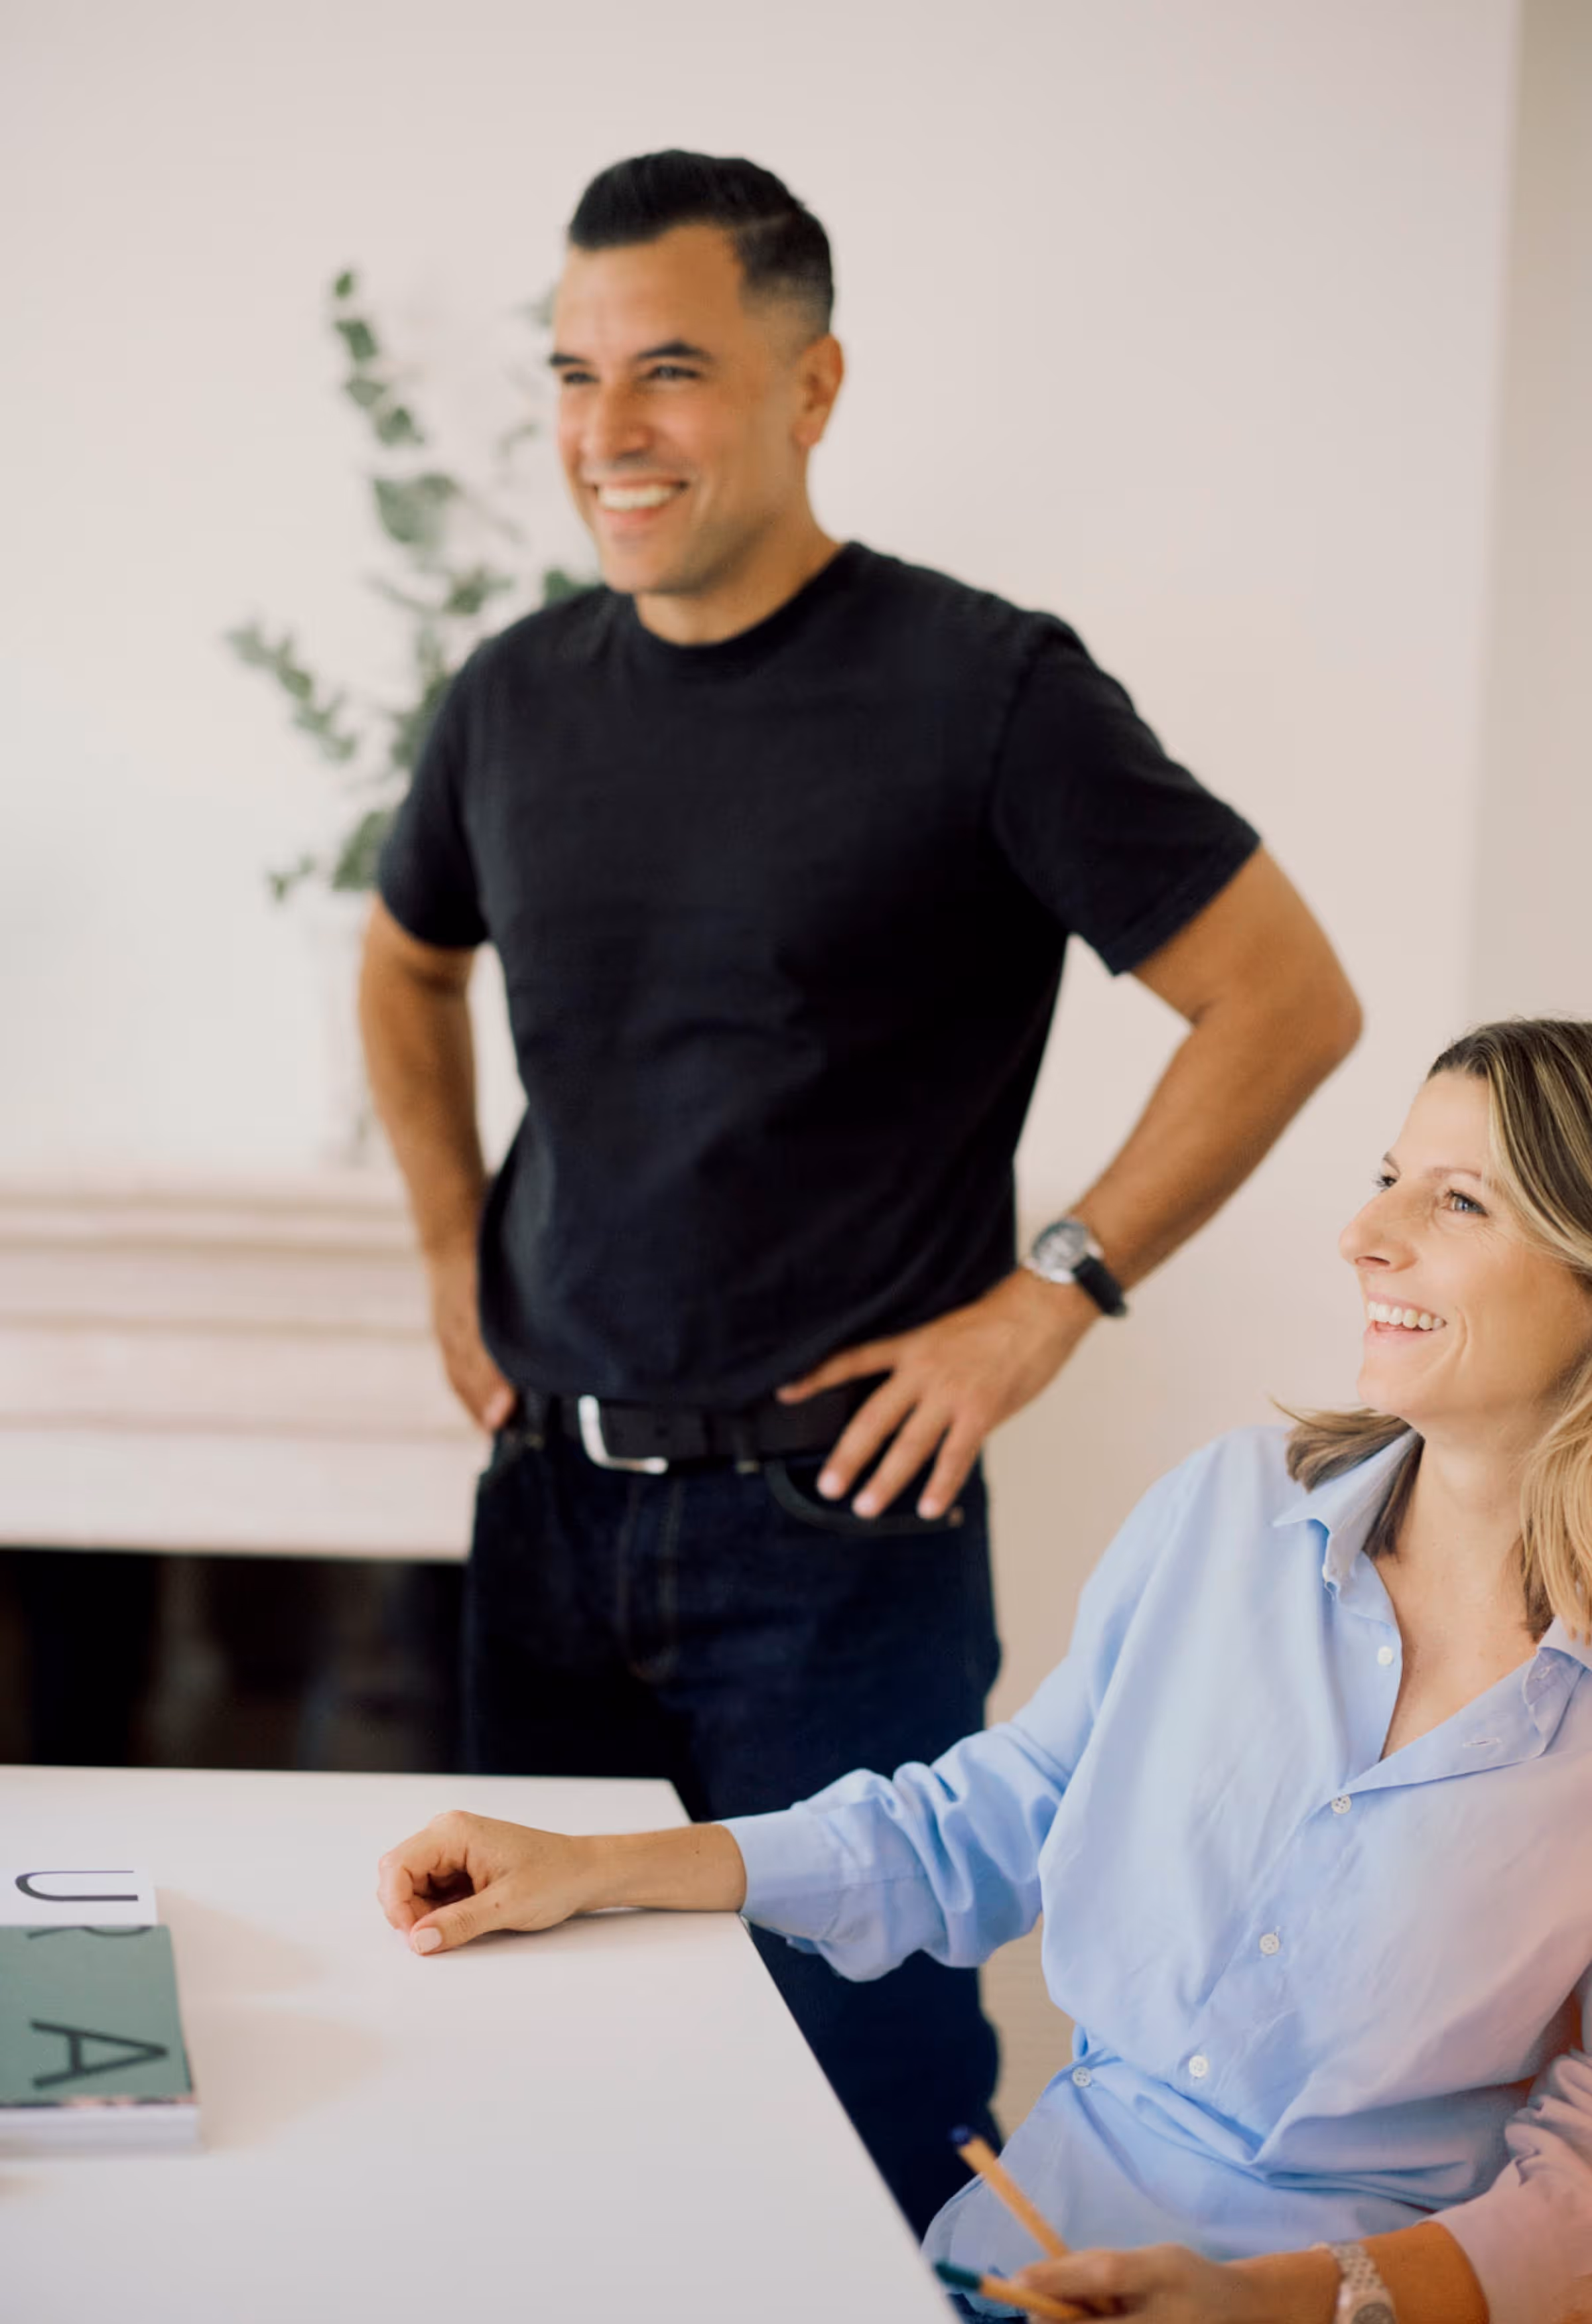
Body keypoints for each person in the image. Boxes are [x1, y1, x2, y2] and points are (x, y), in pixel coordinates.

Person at [358, 148, 1361, 2230]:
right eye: (571, 375)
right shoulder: (516, 697)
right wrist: (453, 1246)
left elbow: (1281, 995)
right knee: (527, 2066)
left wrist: (1053, 1294)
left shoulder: (983, 691)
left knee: (859, 2104)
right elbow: (404, 956)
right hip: (547, 1505)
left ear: (814, 390)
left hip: (837, 1529)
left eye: (671, 372)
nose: (606, 435)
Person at [377, 1019, 1592, 2324]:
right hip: (1016, 2256)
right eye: (1387, 1174)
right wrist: (598, 1865)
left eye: (1457, 1200)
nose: (1367, 1235)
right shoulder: (1230, 1513)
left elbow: (1575, 2204)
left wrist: (1271, 2304)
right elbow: (980, 1827)